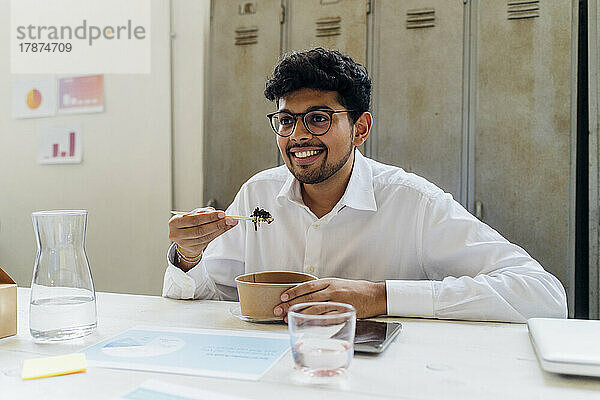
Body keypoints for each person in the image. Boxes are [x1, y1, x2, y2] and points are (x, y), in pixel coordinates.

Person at [163, 48, 567, 323]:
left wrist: (380, 296)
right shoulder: (258, 195)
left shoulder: (413, 202)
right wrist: (188, 257)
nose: (298, 135)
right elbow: (206, 300)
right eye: (287, 121)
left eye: (319, 118)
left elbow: (543, 295)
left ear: (360, 128)